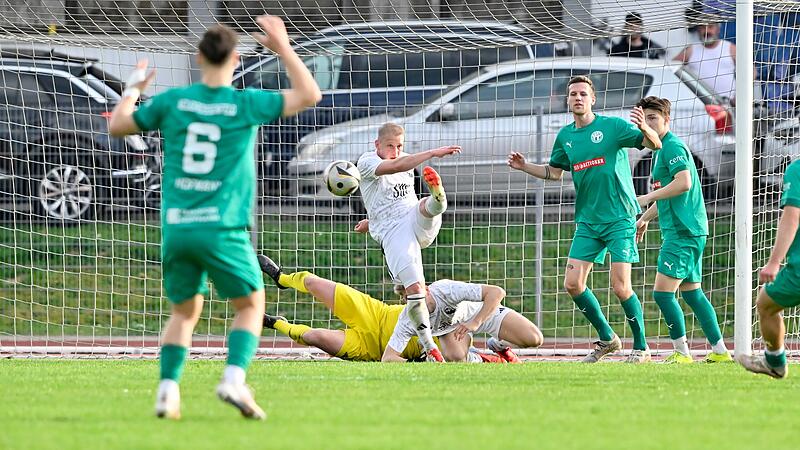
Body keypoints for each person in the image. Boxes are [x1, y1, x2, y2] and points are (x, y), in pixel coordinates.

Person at [108, 16, 322, 420]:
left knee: (184, 312)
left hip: (178, 227)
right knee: (251, 304)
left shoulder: (172, 102)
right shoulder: (245, 104)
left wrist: (133, 89)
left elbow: (119, 125)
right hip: (222, 227)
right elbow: (310, 94)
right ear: (236, 60)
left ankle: (167, 391)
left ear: (198, 56)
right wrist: (283, 47)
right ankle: (233, 379)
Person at [507, 76, 662, 363]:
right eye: (573, 94)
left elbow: (654, 145)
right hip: (588, 221)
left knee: (620, 285)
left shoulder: (613, 127)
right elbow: (554, 173)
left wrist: (644, 128)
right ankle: (607, 339)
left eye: (583, 94)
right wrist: (524, 166)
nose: (578, 98)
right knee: (573, 283)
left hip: (619, 217)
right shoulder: (565, 136)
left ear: (593, 99)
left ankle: (641, 347)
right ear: (568, 101)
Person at [258, 255, 543, 363]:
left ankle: (495, 346)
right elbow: (388, 358)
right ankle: (281, 288)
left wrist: (476, 322)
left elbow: (496, 292)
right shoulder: (409, 315)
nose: (415, 296)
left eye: (418, 290)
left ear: (427, 287)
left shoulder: (446, 290)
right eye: (409, 294)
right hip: (375, 318)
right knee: (315, 283)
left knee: (534, 338)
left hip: (475, 318)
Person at [633, 96, 732, 364]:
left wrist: (643, 200)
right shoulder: (660, 149)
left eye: (654, 118)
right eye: (646, 118)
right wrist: (646, 217)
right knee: (692, 293)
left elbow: (683, 183)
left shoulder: (672, 146)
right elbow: (670, 195)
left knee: (662, 294)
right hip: (689, 230)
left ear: (667, 120)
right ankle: (721, 352)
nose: (649, 123)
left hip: (682, 233)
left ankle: (681, 353)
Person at [354, 123, 461, 362]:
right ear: (377, 145)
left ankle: (438, 197)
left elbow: (389, 201)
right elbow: (394, 166)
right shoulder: (367, 161)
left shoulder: (406, 162)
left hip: (414, 220)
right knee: (415, 291)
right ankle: (429, 346)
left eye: (399, 146)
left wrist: (371, 220)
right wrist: (433, 153)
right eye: (390, 146)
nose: (395, 151)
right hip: (394, 233)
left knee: (426, 206)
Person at [738, 159, 800, 379]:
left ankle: (774, 362)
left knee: (766, 304)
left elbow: (792, 217)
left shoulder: (797, 169)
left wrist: (774, 262)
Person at [673, 22, 737, 103]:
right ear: (698, 30)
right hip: (699, 103)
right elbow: (670, 67)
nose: (706, 31)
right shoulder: (691, 50)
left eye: (710, 27)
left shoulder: (730, 48)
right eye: (703, 27)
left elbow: (752, 71)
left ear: (718, 29)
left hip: (728, 103)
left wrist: (740, 94)